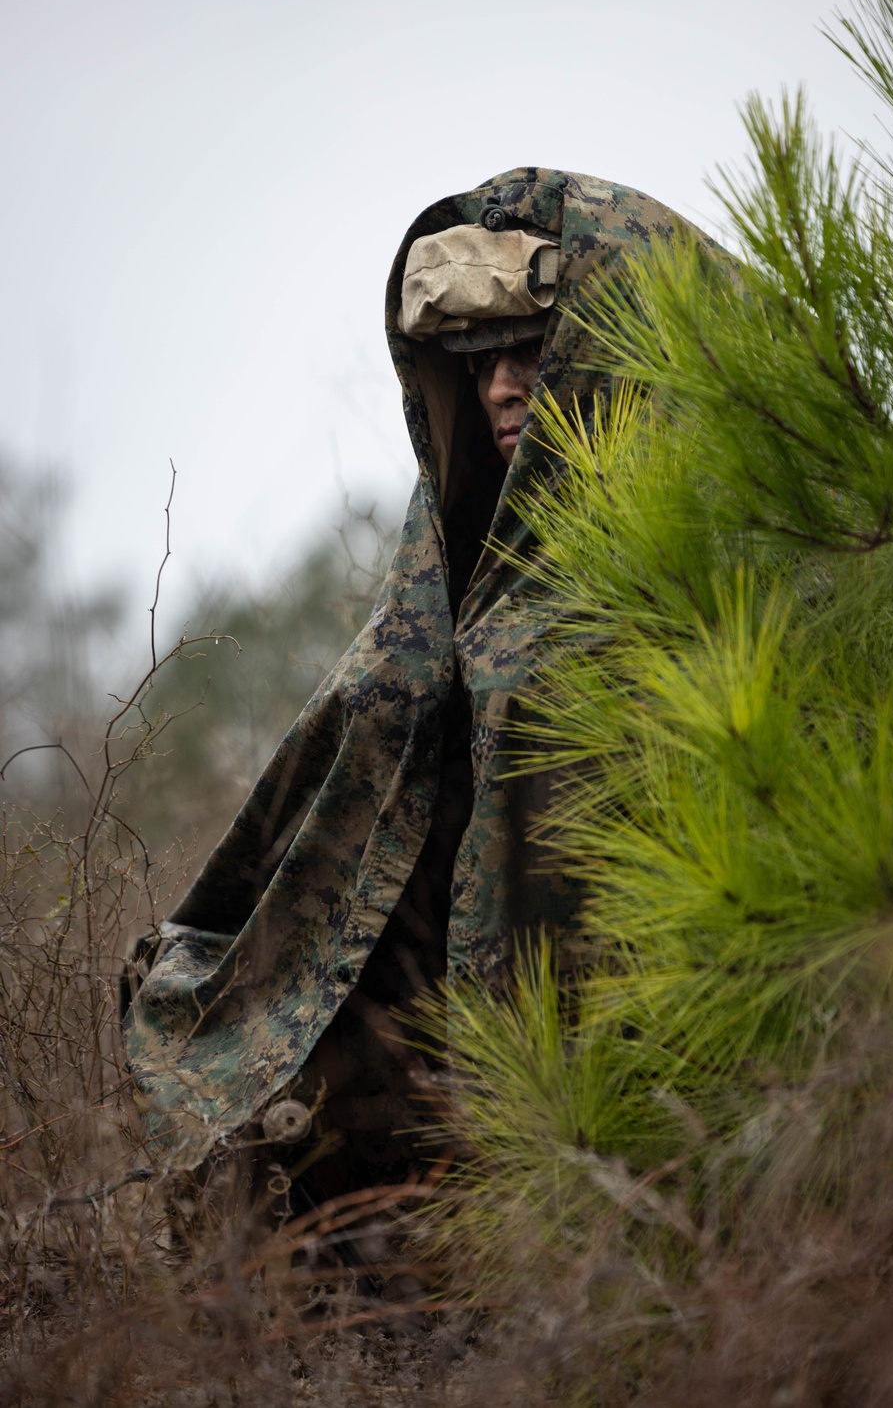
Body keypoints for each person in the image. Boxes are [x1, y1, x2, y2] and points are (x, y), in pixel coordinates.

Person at [123, 168, 716, 1194]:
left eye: (534, 353)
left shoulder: (724, 563)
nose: (499, 386)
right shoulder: (446, 562)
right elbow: (360, 740)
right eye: (478, 359)